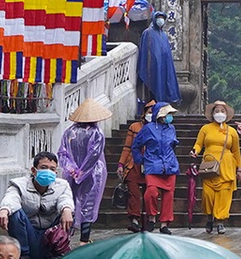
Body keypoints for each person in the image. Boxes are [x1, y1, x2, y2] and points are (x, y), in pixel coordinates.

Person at [0, 151, 76, 259]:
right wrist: (4, 210)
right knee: (14, 212)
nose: (48, 171)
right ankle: (22, 255)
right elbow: (11, 198)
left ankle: (56, 254)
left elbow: (65, 199)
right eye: (44, 167)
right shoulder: (19, 184)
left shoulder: (62, 185)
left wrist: (67, 210)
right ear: (34, 171)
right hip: (29, 236)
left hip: (51, 236)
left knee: (69, 213)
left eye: (52, 169)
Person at [58, 98, 111, 243]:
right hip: (93, 174)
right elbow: (94, 155)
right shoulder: (97, 133)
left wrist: (72, 170)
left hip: (71, 174)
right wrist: (81, 173)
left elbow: (62, 154)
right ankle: (84, 239)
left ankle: (64, 239)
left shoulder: (69, 132)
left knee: (70, 202)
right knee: (89, 204)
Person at [194, 101, 241, 235]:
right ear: (212, 114)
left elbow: (236, 151)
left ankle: (220, 221)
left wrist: (240, 168)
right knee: (208, 195)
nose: (219, 113)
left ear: (226, 115)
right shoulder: (205, 129)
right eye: (217, 111)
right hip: (209, 165)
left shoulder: (231, 132)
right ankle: (209, 217)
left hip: (226, 165)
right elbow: (198, 144)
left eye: (222, 111)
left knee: (224, 194)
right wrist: (195, 151)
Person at [133, 103, 182, 233]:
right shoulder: (148, 129)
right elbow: (136, 145)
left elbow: (173, 145)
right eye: (168, 114)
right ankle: (152, 217)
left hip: (170, 166)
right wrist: (141, 160)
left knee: (168, 196)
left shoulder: (171, 128)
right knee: (151, 193)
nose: (170, 117)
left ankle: (164, 224)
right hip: (152, 165)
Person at [118, 105, 151, 234]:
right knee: (133, 193)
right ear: (143, 113)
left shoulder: (158, 128)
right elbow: (127, 147)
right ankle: (134, 220)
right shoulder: (134, 127)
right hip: (133, 164)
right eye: (149, 112)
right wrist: (121, 164)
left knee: (149, 195)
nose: (151, 114)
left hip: (150, 164)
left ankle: (147, 220)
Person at [138, 12, 181, 105]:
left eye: (162, 18)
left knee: (164, 86)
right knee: (152, 90)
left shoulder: (164, 35)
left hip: (163, 67)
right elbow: (144, 51)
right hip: (152, 68)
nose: (160, 20)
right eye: (159, 18)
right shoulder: (147, 33)